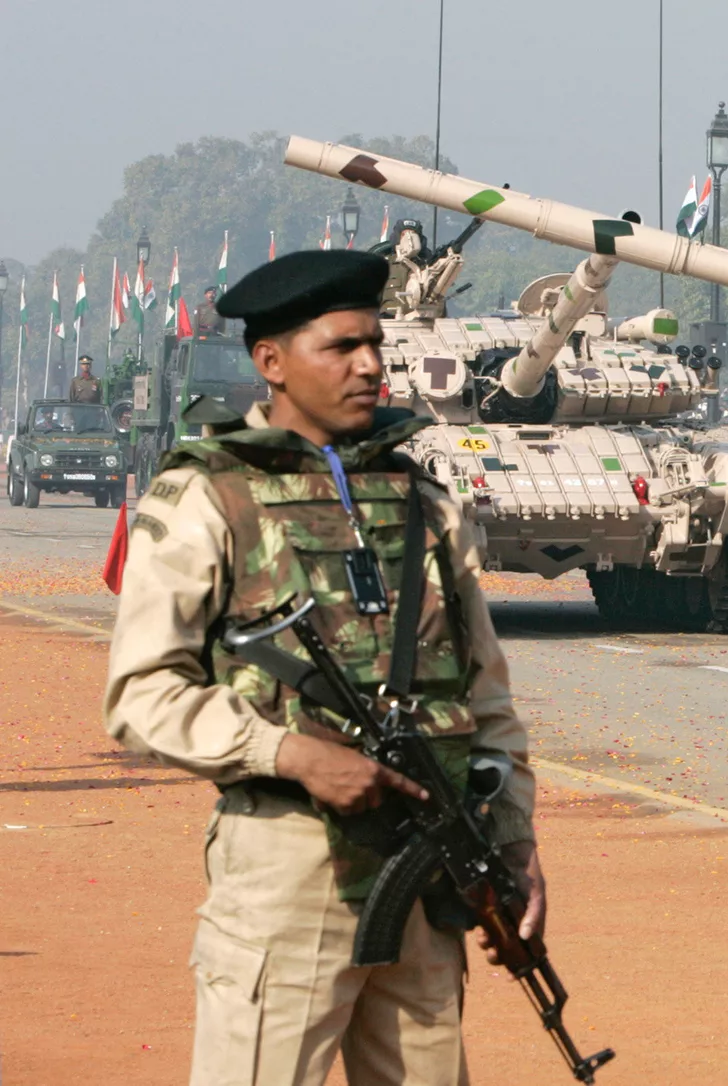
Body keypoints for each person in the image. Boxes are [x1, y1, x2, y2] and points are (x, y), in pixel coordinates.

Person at [102, 249, 540, 1084]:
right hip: (288, 871)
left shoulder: (423, 502)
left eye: (375, 344)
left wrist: (514, 841)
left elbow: (484, 692)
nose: (370, 365)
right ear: (271, 361)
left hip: (427, 874)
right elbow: (141, 695)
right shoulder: (208, 498)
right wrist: (290, 753)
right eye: (342, 346)